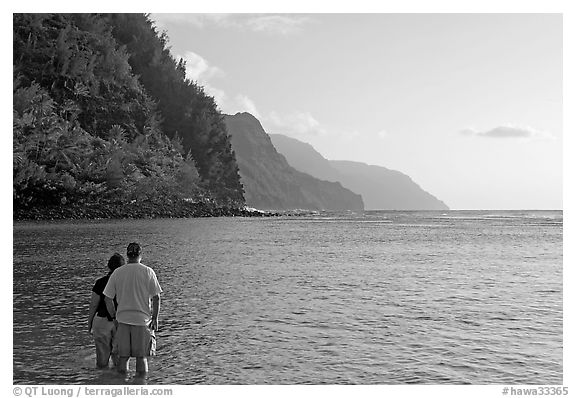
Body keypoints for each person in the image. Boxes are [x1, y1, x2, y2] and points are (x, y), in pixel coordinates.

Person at [103, 242, 162, 376]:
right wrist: (155, 318)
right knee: (141, 357)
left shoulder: (118, 272)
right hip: (142, 321)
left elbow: (107, 298)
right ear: (141, 254)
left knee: (123, 357)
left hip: (123, 320)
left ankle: (123, 385)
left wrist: (113, 317)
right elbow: (156, 297)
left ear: (127, 255)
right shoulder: (148, 271)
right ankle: (140, 386)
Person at [88, 253, 125, 369]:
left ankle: (102, 382)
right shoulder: (125, 283)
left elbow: (94, 305)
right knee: (120, 362)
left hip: (102, 322)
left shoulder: (100, 282)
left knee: (102, 362)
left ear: (109, 266)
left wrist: (89, 323)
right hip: (120, 322)